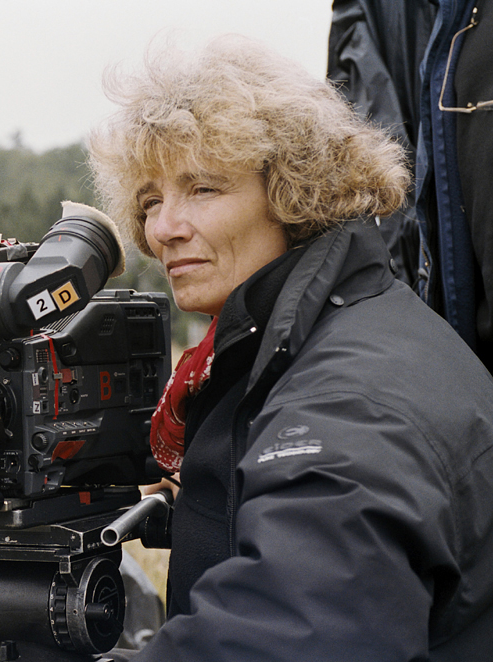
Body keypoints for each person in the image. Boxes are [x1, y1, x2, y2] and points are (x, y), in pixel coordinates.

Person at [88, 35, 493, 661]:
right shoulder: (335, 331)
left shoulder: (349, 402)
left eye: (202, 189)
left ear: (293, 190)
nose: (163, 227)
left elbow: (288, 641)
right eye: (149, 200)